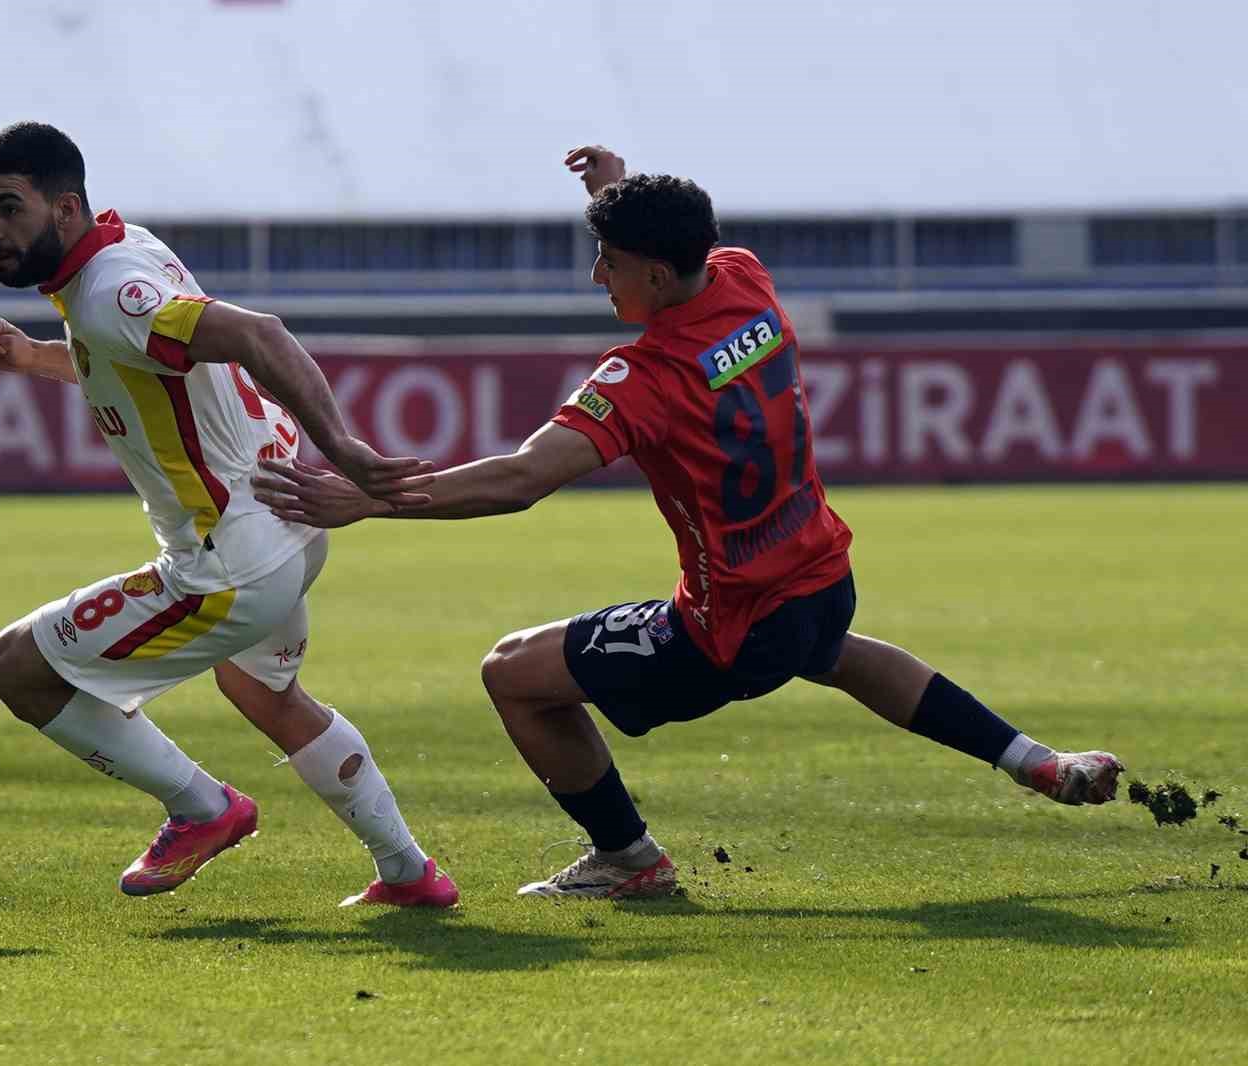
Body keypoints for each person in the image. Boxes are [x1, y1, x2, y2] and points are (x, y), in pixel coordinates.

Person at [251, 145, 1125, 900]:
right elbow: (682, 247)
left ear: (658, 275)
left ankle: (626, 858)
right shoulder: (744, 278)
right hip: (821, 574)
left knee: (513, 673)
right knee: (839, 653)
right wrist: (617, 191)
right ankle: (1037, 762)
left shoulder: (649, 376)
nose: (597, 277)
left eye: (610, 261)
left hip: (730, 625)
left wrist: (371, 500)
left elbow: (522, 479)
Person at [0, 121, 457, 907]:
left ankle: (201, 808)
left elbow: (260, 336)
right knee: (265, 694)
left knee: (18, 666)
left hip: (229, 562)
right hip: (287, 526)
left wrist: (345, 447)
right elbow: (131, 360)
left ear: (65, 209)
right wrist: (32, 356)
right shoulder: (124, 252)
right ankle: (409, 873)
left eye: (8, 208)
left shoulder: (110, 293)